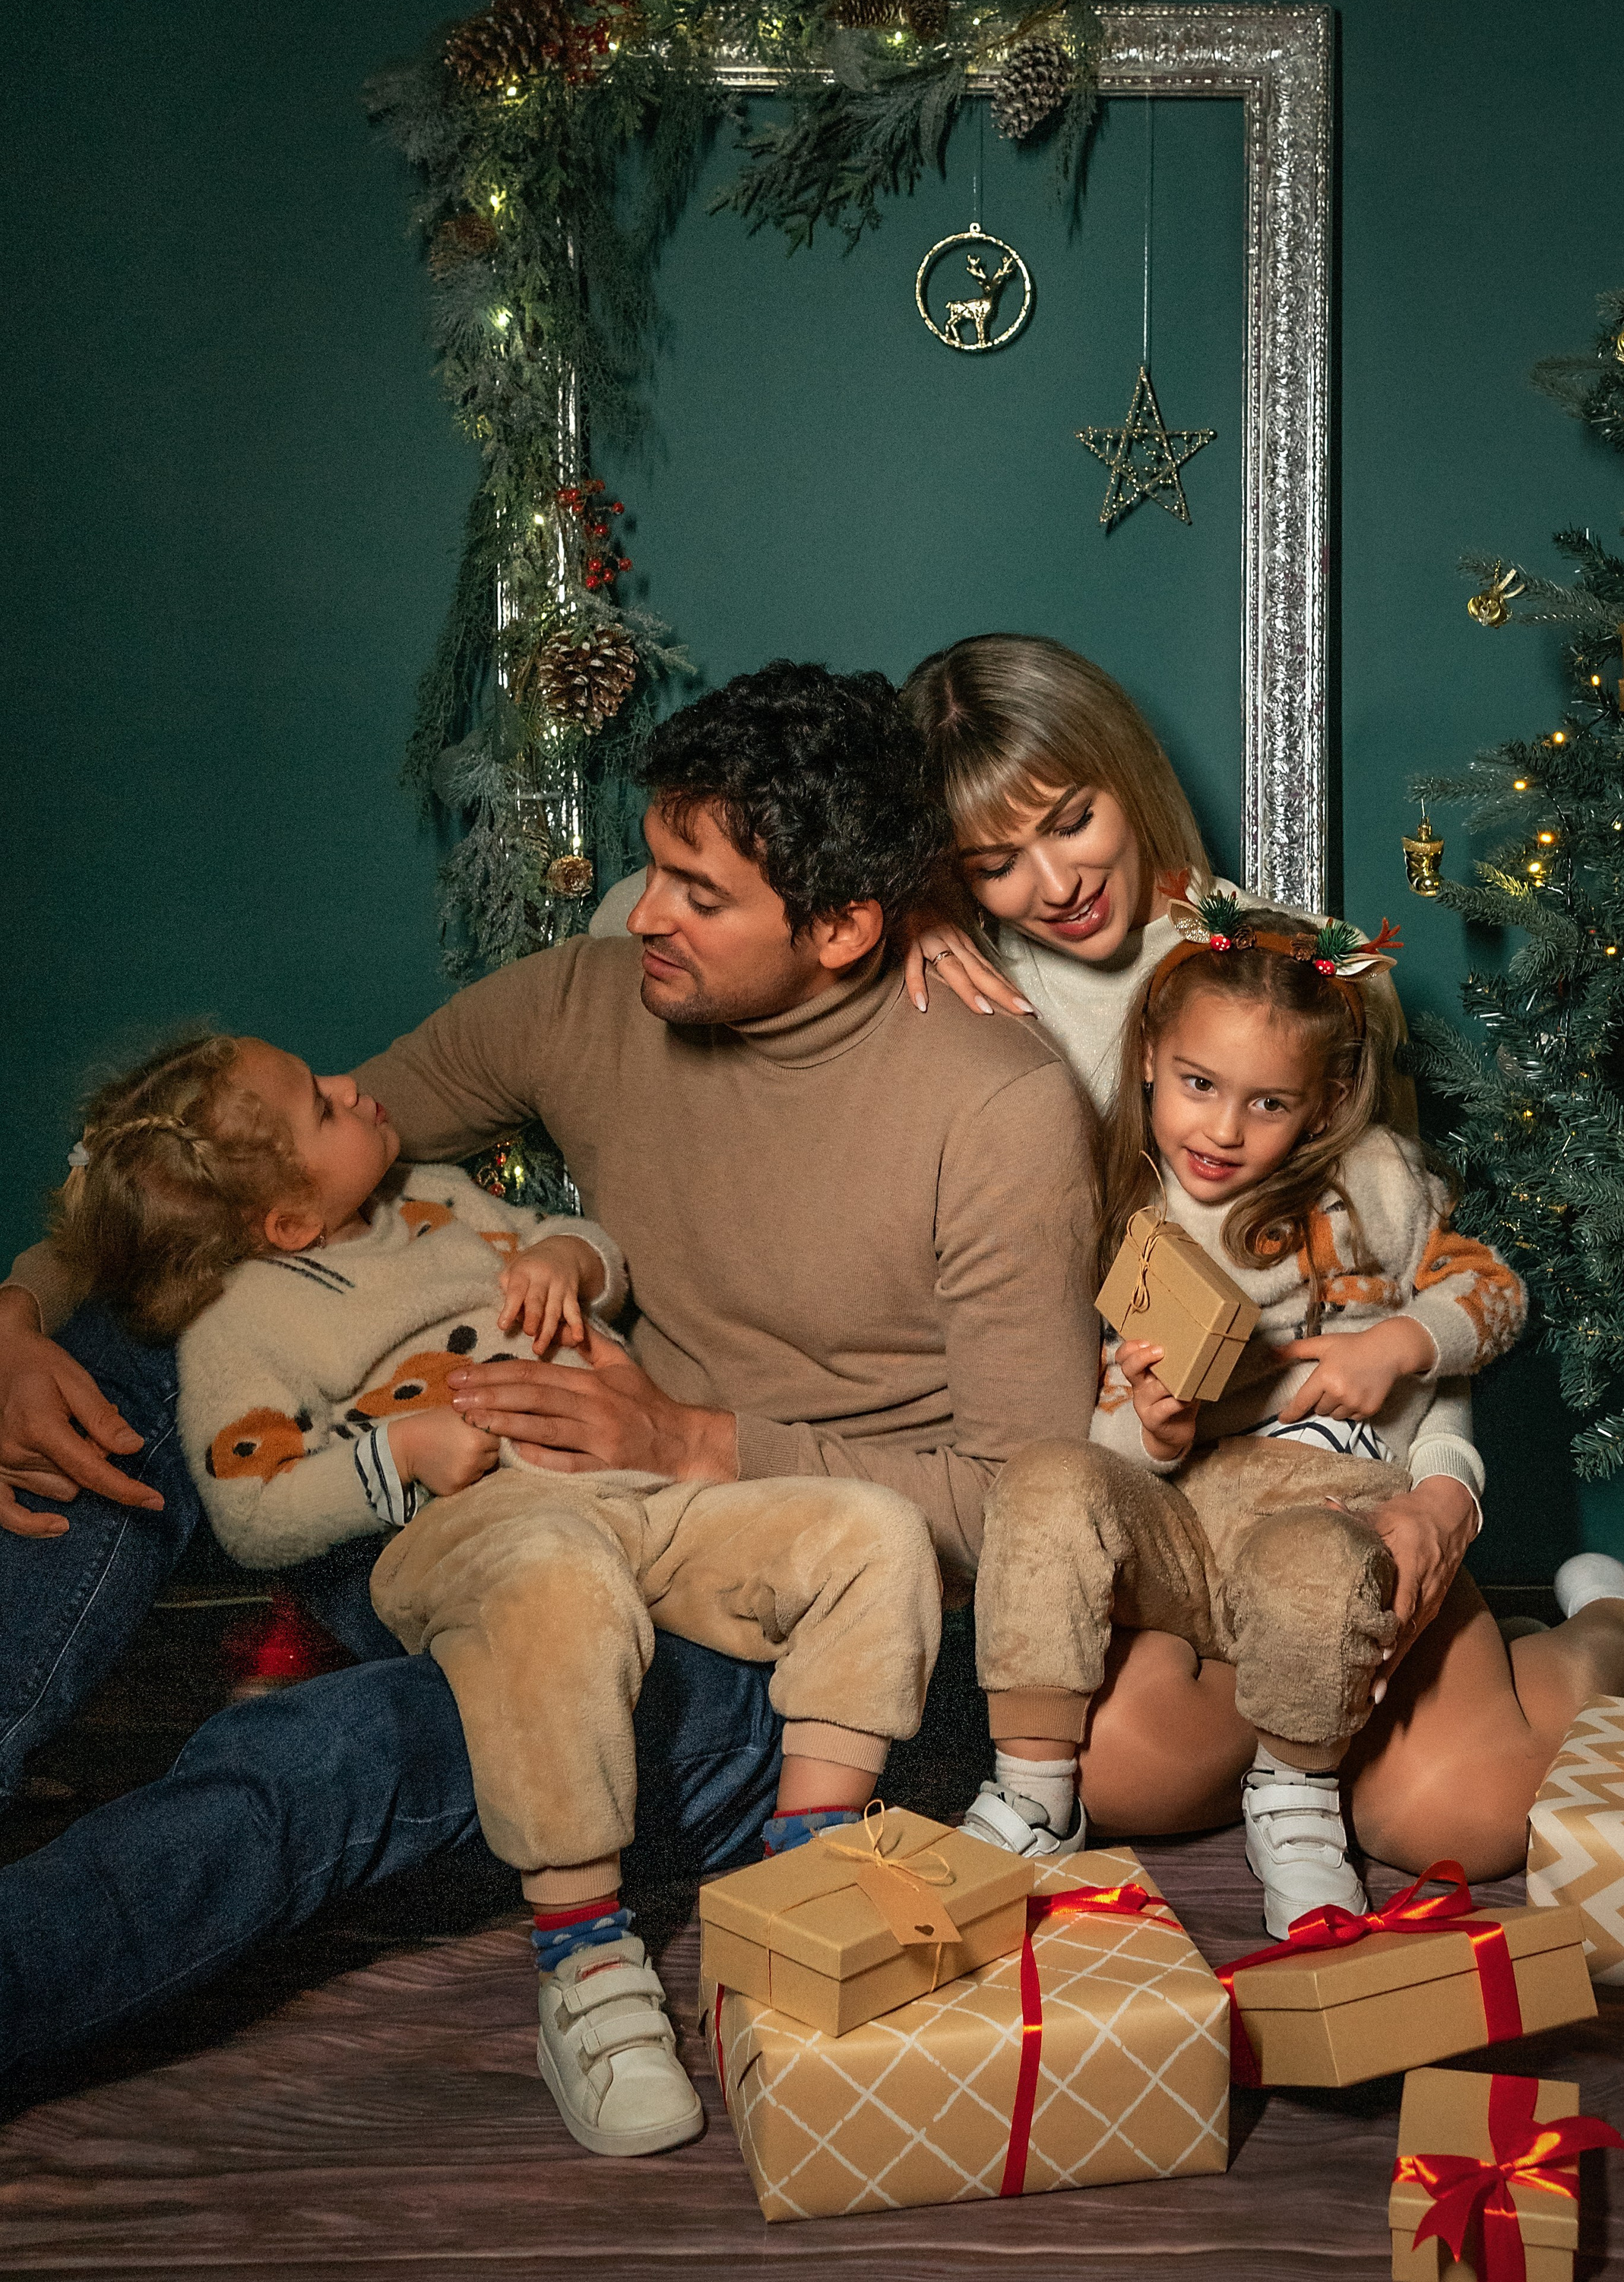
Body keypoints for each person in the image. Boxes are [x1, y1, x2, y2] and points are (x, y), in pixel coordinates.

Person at [0, 660, 1098, 2083]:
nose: (643, 914)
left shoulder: (995, 1110)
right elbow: (251, 1173)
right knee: (111, 1359)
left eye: (700, 895)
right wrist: (19, 1317)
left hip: (766, 1612)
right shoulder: (593, 999)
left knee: (335, 1758)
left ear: (840, 927)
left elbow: (1027, 1515)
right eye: (654, 868)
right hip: (491, 1486)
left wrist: (702, 1441)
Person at [49, 1028, 939, 2154]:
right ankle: (586, 1957)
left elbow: (573, 1238)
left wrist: (568, 1264)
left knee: (870, 1528)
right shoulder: (247, 1323)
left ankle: (810, 1884)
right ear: (283, 1223)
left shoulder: (439, 1197)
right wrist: (398, 1456)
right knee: (551, 1582)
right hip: (477, 1533)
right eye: (321, 1108)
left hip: (638, 1498)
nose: (350, 1084)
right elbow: (253, 1507)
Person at [899, 632, 1624, 1878]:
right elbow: (646, 927)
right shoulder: (961, 993)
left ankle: (1600, 1622)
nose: (1054, 880)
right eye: (994, 862)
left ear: (1123, 774)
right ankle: (1305, 1752)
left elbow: (1400, 1266)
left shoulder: (1305, 968)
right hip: (1177, 1498)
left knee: (1451, 1824)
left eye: (1072, 820)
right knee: (1115, 1770)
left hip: (1352, 1483)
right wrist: (903, 910)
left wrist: (1446, 1490)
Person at [965, 896, 1531, 1936]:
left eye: (1268, 1104)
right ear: (1149, 1061)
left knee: (1316, 1572)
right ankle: (1031, 1790)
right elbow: (1108, 1440)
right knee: (1048, 1479)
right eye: (1199, 1086)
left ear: (1322, 1107)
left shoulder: (1375, 1188)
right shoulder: (1128, 1210)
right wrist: (1158, 1429)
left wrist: (1399, 1344)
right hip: (1189, 1541)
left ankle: (1297, 1791)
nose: (1222, 1130)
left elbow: (1492, 1295)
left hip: (1337, 1527)